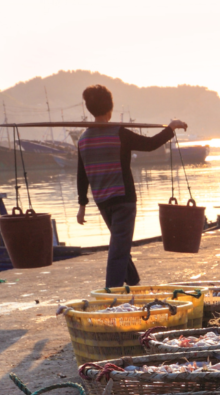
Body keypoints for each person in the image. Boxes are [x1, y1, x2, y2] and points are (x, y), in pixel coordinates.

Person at [76, 84, 186, 288]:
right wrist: (170, 128)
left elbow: (81, 175)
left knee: (120, 243)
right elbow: (150, 144)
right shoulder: (118, 133)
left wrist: (82, 206)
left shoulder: (83, 139)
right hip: (124, 200)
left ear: (90, 109)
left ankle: (133, 282)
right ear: (110, 110)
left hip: (102, 201)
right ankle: (112, 296)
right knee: (118, 249)